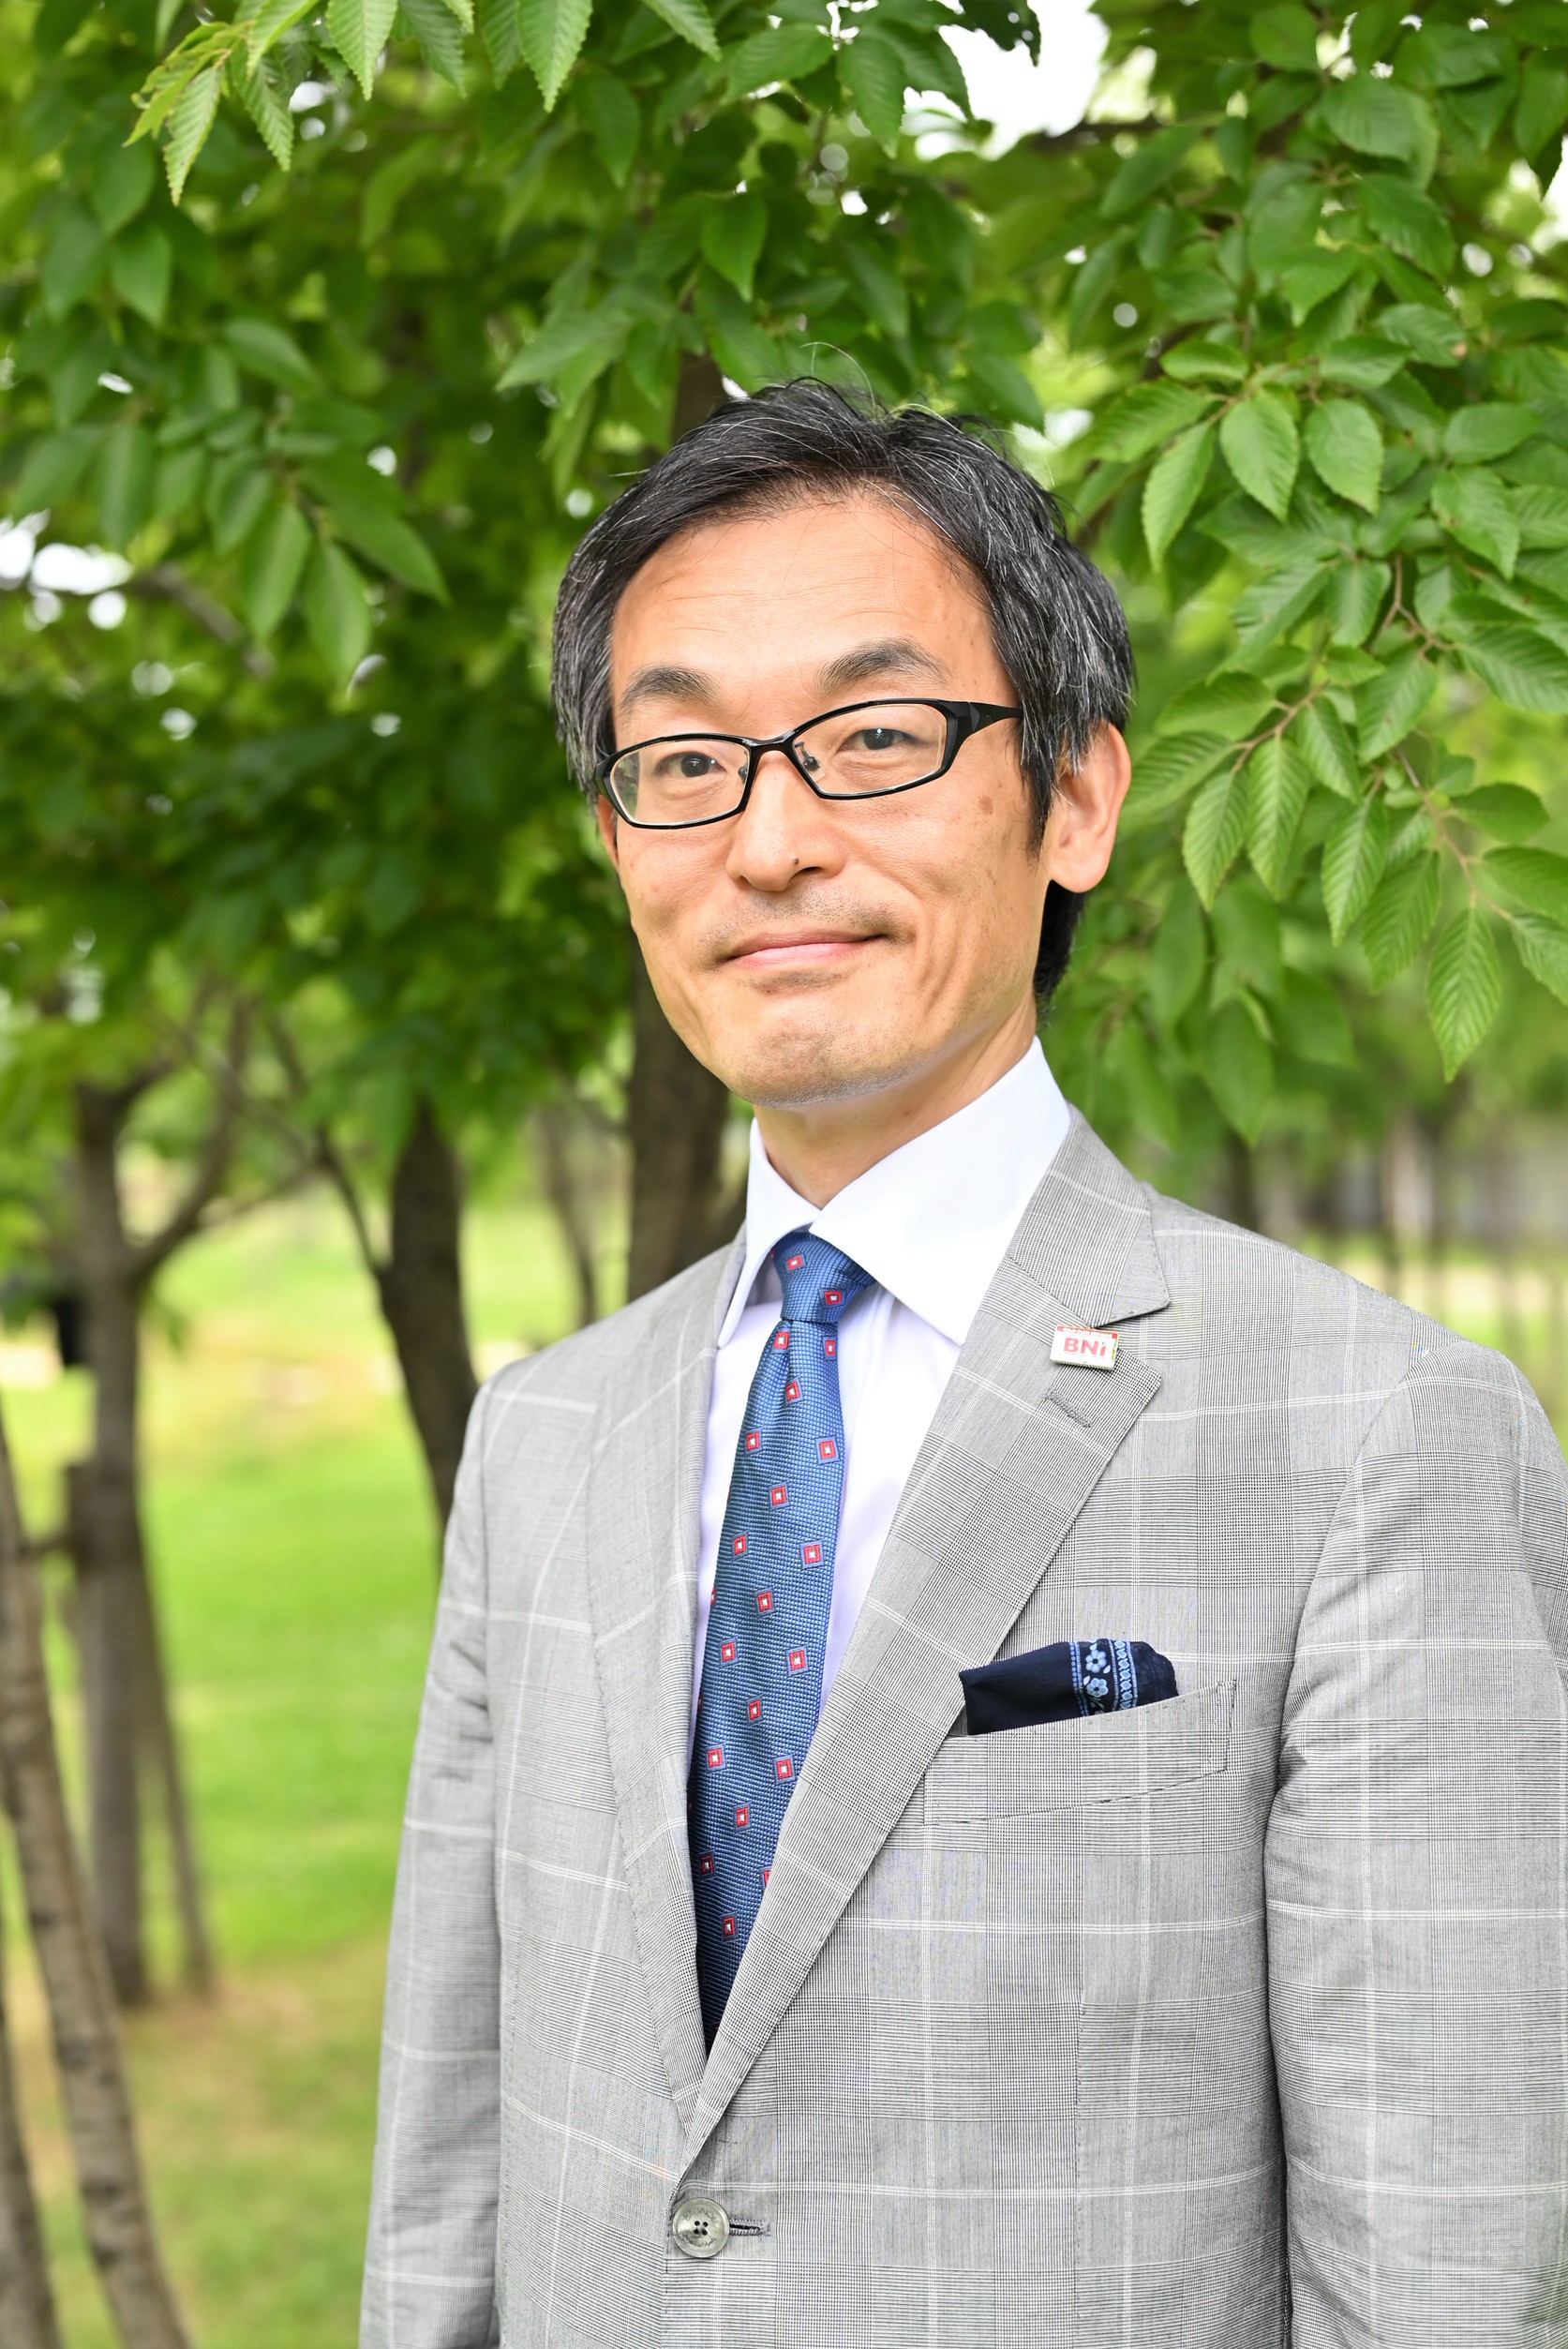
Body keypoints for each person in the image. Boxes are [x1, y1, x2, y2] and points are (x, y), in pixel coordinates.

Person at [361, 380, 1568, 2348]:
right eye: (684, 761)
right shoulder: (546, 1431)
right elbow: (451, 2167)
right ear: (619, 837)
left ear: (1072, 795)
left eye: (872, 738)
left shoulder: (1379, 1435)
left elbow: (1448, 2261)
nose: (769, 840)